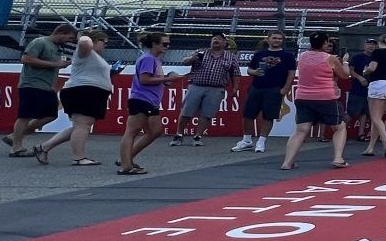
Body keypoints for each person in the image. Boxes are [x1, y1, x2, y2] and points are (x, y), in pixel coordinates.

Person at [34, 27, 114, 167]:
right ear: (95, 41)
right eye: (103, 41)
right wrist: (86, 38)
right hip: (82, 92)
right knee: (83, 125)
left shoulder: (95, 57)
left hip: (91, 92)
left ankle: (43, 147)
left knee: (79, 126)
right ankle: (79, 157)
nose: (105, 45)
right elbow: (83, 42)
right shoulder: (85, 51)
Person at [279, 31, 351, 170]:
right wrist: (346, 61)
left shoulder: (302, 56)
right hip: (326, 97)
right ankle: (338, 158)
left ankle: (287, 162)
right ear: (324, 43)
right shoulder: (330, 58)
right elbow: (344, 75)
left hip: (303, 96)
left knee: (301, 130)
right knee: (339, 126)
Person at [8, 22, 76, 156]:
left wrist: (63, 64)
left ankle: (15, 136)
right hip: (31, 84)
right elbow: (26, 59)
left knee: (51, 114)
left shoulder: (57, 47)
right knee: (25, 115)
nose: (70, 41)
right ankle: (16, 147)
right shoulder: (40, 42)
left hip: (47, 86)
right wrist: (54, 64)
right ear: (61, 33)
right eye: (69, 38)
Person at [119, 31, 173, 175]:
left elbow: (150, 79)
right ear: (155, 44)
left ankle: (127, 158)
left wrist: (165, 81)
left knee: (155, 131)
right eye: (165, 44)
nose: (167, 47)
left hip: (149, 100)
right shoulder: (149, 59)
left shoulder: (153, 59)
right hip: (142, 98)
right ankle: (125, 165)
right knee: (132, 131)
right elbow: (145, 80)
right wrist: (166, 80)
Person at [234, 30, 296, 153]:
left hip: (275, 89)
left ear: (282, 41)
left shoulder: (288, 56)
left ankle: (261, 141)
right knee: (248, 114)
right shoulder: (259, 54)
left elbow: (291, 73)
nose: (276, 40)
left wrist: (285, 89)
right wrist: (255, 72)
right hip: (256, 87)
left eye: (279, 38)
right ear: (268, 39)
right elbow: (249, 70)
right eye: (274, 38)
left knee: (268, 116)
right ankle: (246, 140)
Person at [175, 33, 239, 145]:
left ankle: (197, 136)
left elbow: (236, 74)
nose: (216, 40)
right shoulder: (201, 52)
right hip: (196, 85)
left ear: (225, 43)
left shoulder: (231, 57)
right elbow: (184, 62)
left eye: (219, 39)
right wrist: (193, 58)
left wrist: (235, 88)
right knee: (186, 111)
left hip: (217, 88)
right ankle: (179, 135)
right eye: (214, 38)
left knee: (207, 114)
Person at [361, 36, 386, 157]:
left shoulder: (377, 52)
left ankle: (385, 139)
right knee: (378, 118)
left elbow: (372, 68)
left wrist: (365, 71)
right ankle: (371, 147)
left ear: (379, 43)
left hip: (379, 83)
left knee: (375, 117)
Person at [346, 37, 377, 139]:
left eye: (373, 44)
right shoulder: (357, 57)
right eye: (369, 44)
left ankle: (361, 133)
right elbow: (350, 70)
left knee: (365, 113)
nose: (371, 46)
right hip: (357, 88)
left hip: (370, 89)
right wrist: (360, 78)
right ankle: (341, 130)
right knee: (351, 112)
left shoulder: (376, 58)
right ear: (365, 45)